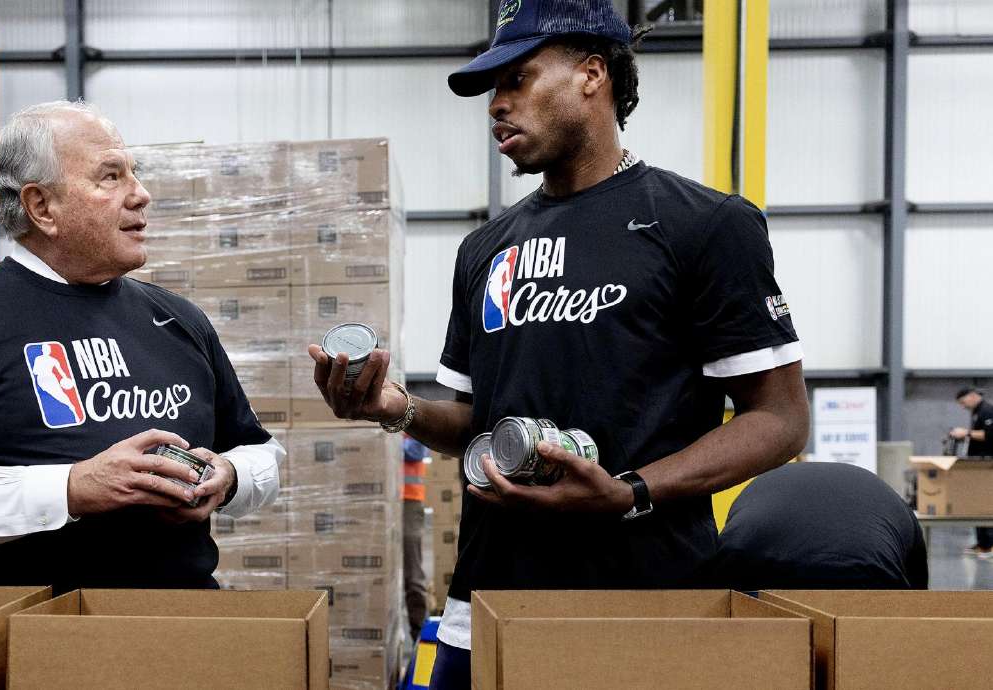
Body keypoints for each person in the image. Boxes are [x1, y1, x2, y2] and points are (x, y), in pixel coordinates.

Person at [306, 1, 809, 686]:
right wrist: (394, 409)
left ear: (592, 75)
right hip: (484, 606)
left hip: (647, 611)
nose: (497, 106)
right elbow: (474, 424)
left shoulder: (705, 226)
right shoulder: (485, 248)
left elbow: (779, 420)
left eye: (518, 79)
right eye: (493, 90)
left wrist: (629, 492)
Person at [0, 101, 285, 593]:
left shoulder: (179, 319)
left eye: (134, 174)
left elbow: (261, 453)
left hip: (180, 635)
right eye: (111, 177)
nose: (141, 195)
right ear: (41, 207)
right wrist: (70, 489)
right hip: (29, 644)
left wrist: (230, 474)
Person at [709, 461, 928, 590]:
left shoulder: (757, 490)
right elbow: (918, 595)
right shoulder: (895, 504)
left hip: (751, 553)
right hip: (867, 564)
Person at [951, 387, 993, 554]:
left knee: (985, 503)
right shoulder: (977, 412)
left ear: (973, 396)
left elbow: (990, 435)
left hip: (987, 465)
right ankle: (982, 543)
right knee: (976, 503)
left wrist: (966, 433)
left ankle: (989, 544)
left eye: (963, 402)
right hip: (978, 465)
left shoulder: (987, 410)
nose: (963, 406)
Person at [402, 435, 431, 638]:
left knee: (412, 574)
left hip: (408, 502)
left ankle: (421, 638)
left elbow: (416, 451)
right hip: (378, 501)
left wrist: (385, 439)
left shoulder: (408, 415)